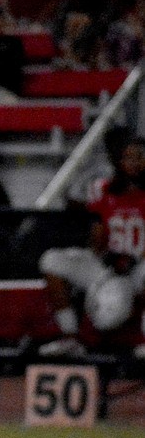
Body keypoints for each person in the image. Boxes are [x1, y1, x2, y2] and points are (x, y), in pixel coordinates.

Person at [38, 134, 145, 356]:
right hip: (110, 265)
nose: (134, 163)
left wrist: (134, 259)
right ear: (118, 161)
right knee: (51, 260)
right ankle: (70, 338)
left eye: (140, 157)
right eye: (128, 157)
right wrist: (106, 256)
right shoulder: (104, 190)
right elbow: (97, 238)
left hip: (139, 267)